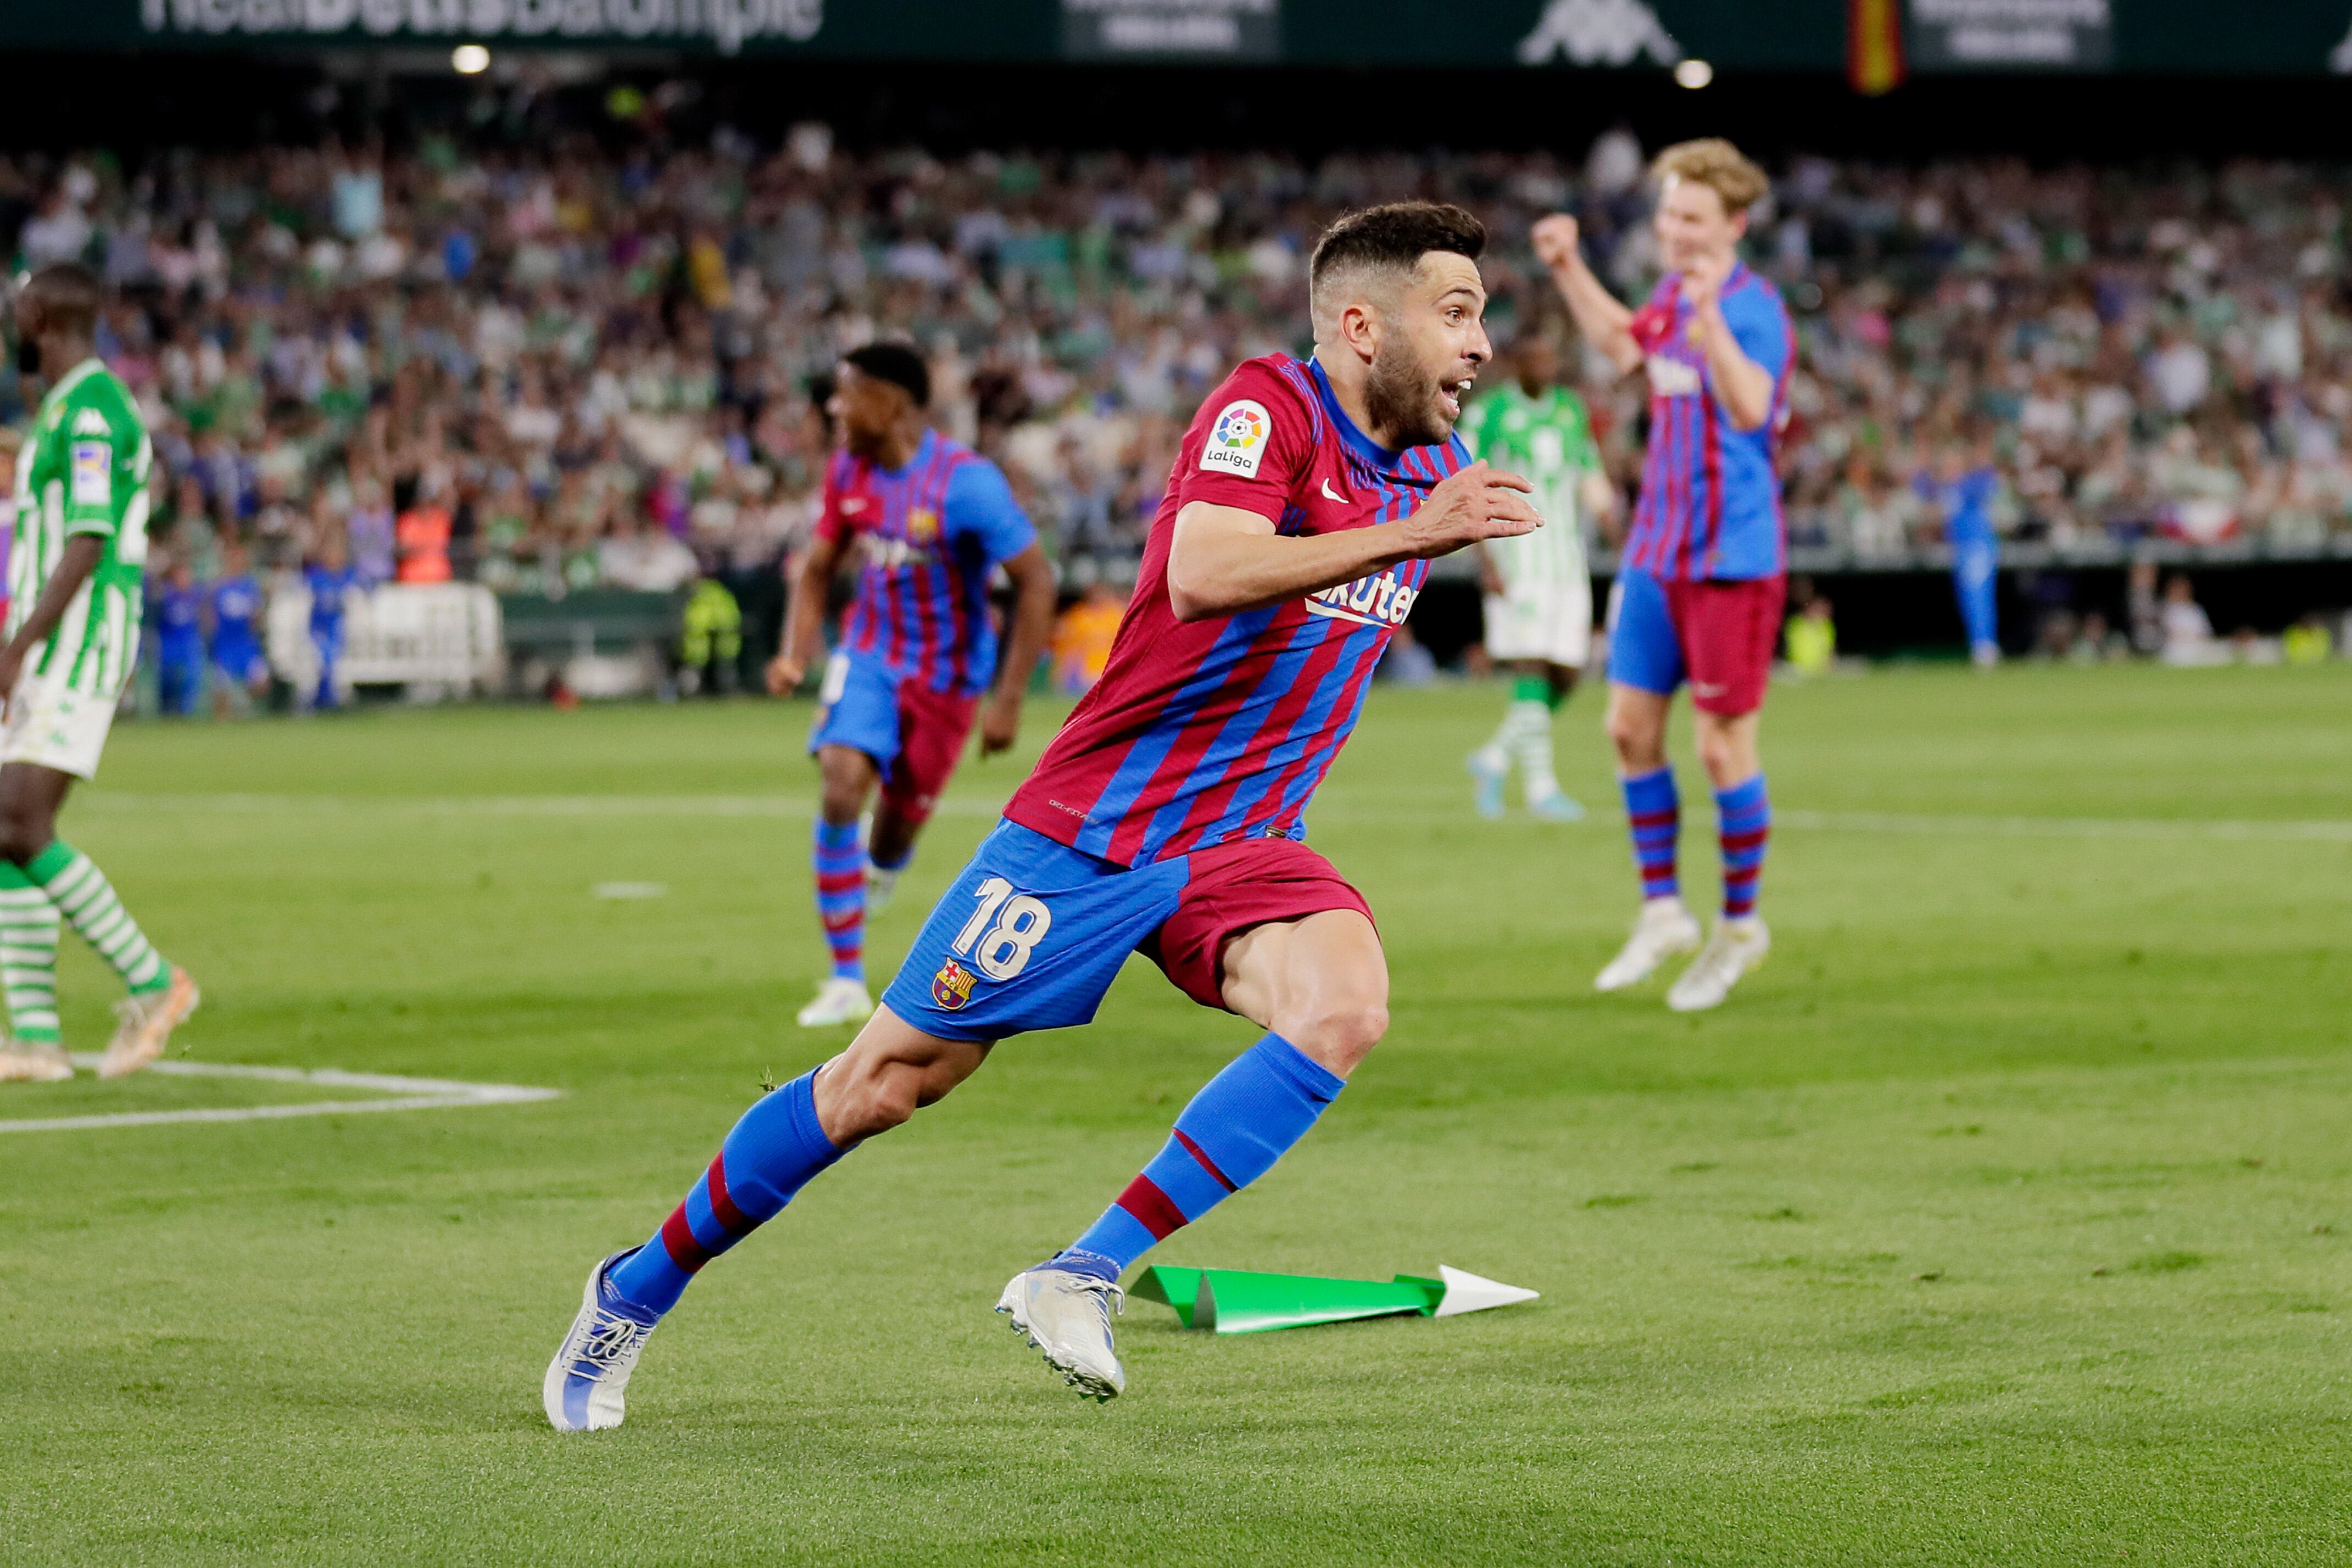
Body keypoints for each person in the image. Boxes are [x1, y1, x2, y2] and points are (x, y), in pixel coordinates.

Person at [545, 201, 1540, 1428]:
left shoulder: (1437, 463)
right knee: (882, 1084)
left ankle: (1079, 1268)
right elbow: (1206, 571)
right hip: (1096, 825)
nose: (1480, 341)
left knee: (1344, 1005)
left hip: (1242, 841)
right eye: (1454, 311)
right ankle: (631, 1290)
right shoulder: (1266, 407)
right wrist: (1417, 530)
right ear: (1356, 323)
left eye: (1481, 314)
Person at [1535, 138, 1793, 1012]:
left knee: (1721, 746)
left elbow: (1753, 410)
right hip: (1657, 548)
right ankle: (1662, 912)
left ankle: (1741, 924)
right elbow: (1621, 347)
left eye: (1688, 216)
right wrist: (1569, 267)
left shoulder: (1755, 310)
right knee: (1626, 728)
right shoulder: (1665, 297)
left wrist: (1710, 320)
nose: (1671, 230)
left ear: (1732, 224)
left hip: (1731, 555)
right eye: (1667, 214)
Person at [764, 342, 1057, 1029]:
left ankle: (884, 862)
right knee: (841, 778)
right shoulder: (848, 472)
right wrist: (793, 652)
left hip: (949, 680)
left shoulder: (967, 484)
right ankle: (844, 978)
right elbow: (817, 567)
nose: (834, 408)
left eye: (847, 393)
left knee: (893, 836)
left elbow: (1036, 581)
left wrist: (1007, 699)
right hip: (868, 654)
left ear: (891, 403)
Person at [0, 263, 199, 1084]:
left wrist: (18, 648)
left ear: (40, 312)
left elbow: (87, 537)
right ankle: (38, 1039)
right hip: (49, 639)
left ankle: (156, 983)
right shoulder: (62, 407)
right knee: (6, 834)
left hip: (77, 640)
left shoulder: (91, 409)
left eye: (18, 302)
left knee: (15, 816)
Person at [1461, 333, 1617, 821]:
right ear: (1517, 361)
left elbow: (1591, 476)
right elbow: (1464, 483)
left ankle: (1493, 759)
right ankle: (1541, 789)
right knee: (1531, 666)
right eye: (1535, 356)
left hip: (1566, 563)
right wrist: (1482, 557)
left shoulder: (1570, 410)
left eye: (1551, 356)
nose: (1545, 365)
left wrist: (1620, 534)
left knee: (1567, 674)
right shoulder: (1489, 414)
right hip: (1515, 557)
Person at [1918, 434, 2001, 666]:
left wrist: (1981, 456)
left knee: (1979, 598)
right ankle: (1979, 645)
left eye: (1953, 461)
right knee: (1966, 600)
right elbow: (1921, 486)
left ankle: (1986, 646)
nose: (1948, 466)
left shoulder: (1970, 484)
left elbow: (1989, 480)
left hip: (1978, 546)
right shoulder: (1945, 487)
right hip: (1960, 549)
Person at [207, 536, 270, 718]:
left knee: (261, 682)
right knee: (221, 686)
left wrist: (258, 619)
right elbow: (209, 615)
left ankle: (250, 710)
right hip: (225, 644)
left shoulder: (250, 586)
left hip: (246, 643)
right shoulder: (218, 587)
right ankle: (222, 721)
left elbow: (257, 617)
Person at [304, 537, 356, 711]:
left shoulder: (349, 577)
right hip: (318, 630)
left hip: (339, 631)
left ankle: (327, 701)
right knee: (324, 657)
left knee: (333, 656)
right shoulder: (315, 578)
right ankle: (322, 701)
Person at [151, 554, 206, 716]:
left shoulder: (196, 594)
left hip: (188, 642)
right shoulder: (165, 595)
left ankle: (186, 712)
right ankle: (166, 710)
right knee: (167, 679)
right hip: (169, 641)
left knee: (191, 677)